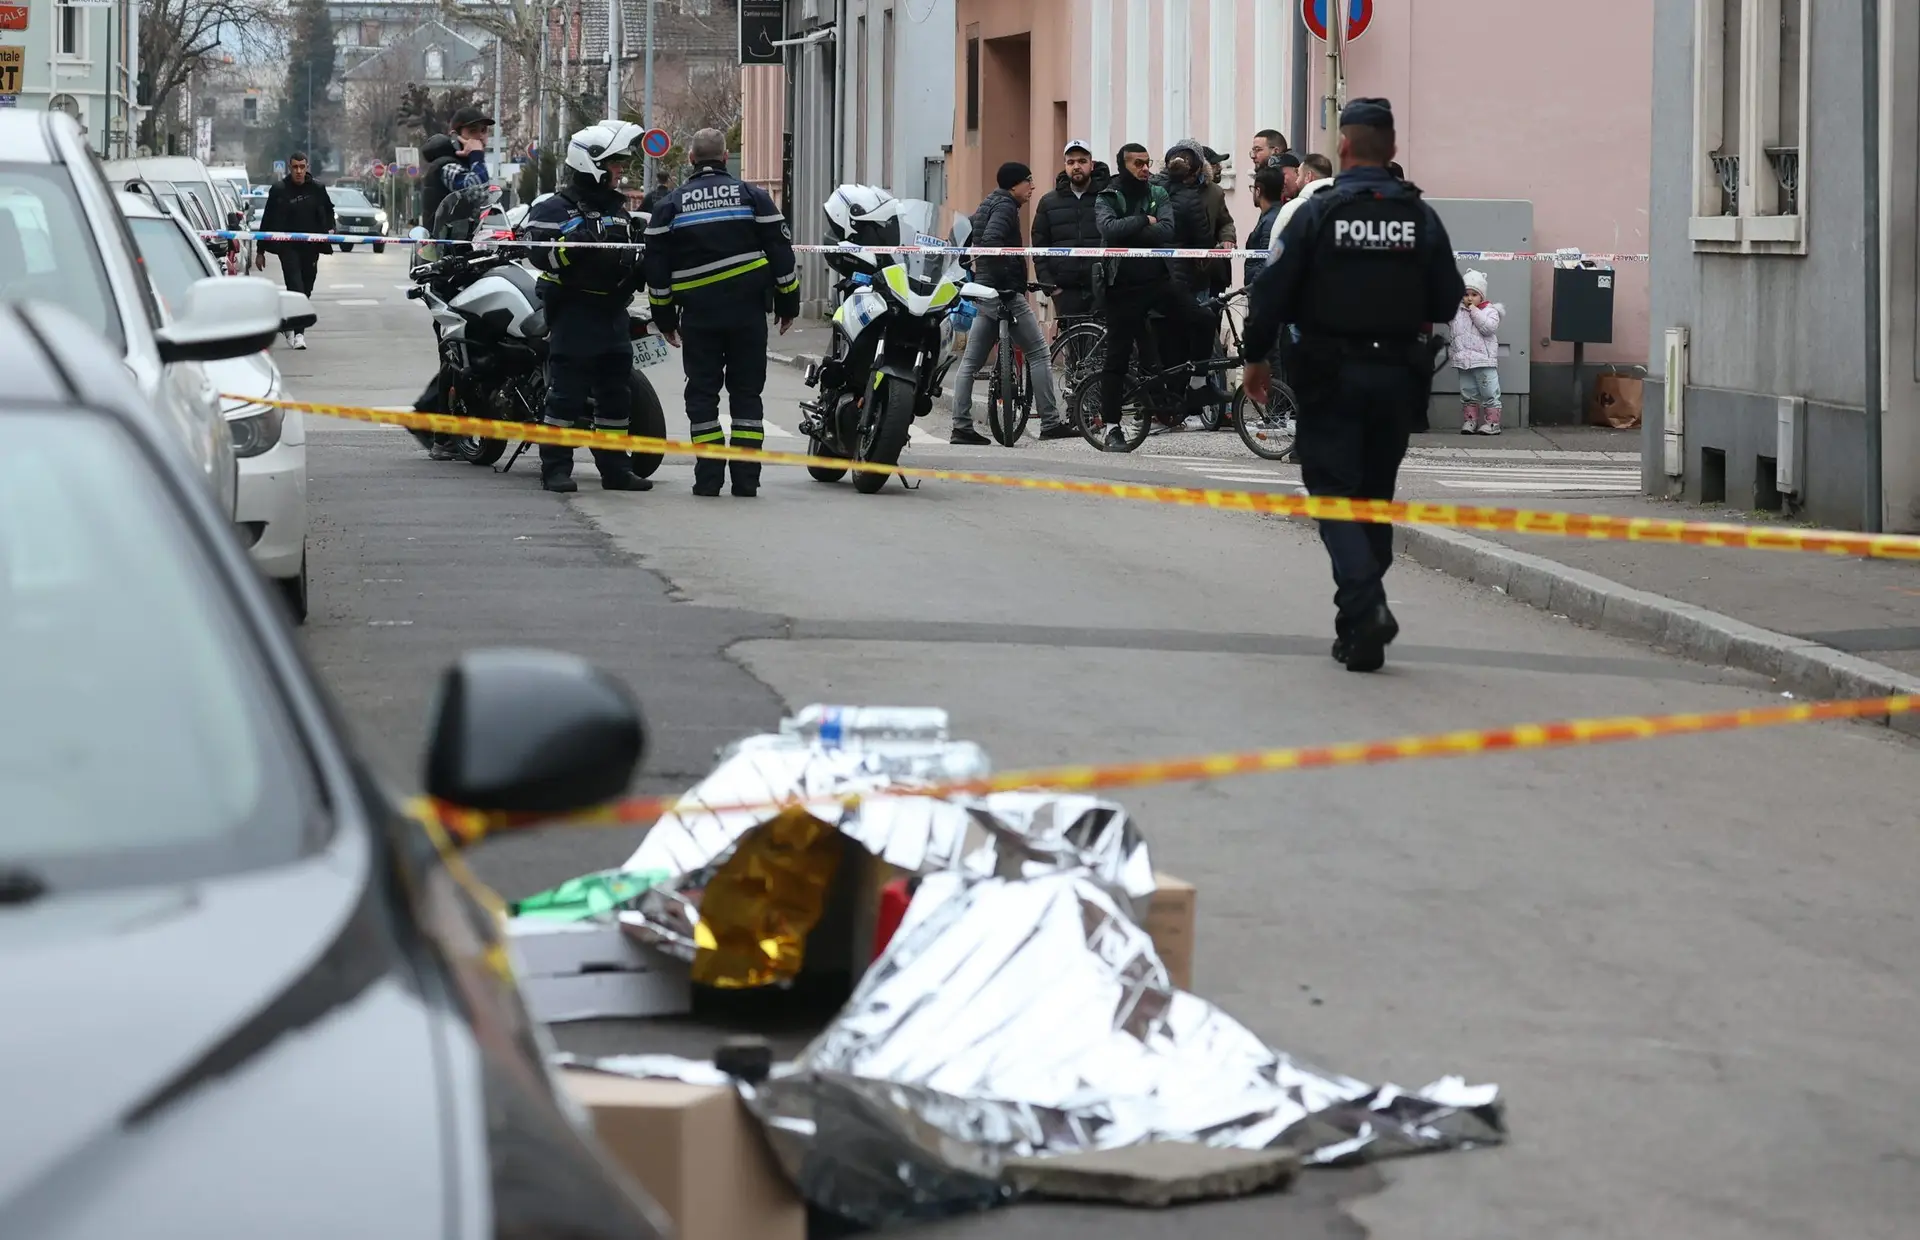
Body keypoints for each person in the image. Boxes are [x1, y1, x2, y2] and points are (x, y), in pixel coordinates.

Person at [1242, 98, 1465, 673]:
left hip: (1329, 374)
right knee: (1372, 498)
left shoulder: (1319, 213)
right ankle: (1356, 626)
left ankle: (1366, 604)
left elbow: (1271, 292)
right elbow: (1447, 298)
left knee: (1332, 494)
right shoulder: (1419, 216)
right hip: (1397, 378)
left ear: (1343, 148)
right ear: (1391, 148)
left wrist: (1256, 358)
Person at [643, 127, 799, 496]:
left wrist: (664, 319)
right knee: (747, 395)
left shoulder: (671, 205)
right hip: (747, 315)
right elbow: (781, 252)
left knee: (702, 395)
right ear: (726, 156)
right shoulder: (752, 197)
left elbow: (656, 272)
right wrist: (788, 302)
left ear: (692, 159)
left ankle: (709, 479)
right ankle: (746, 481)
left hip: (699, 318)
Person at [523, 120, 655, 495]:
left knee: (616, 397)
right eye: (615, 162)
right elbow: (540, 255)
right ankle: (556, 469)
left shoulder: (619, 210)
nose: (620, 170)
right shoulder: (554, 209)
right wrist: (579, 242)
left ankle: (616, 470)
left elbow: (632, 256)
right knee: (566, 396)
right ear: (591, 163)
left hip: (613, 313)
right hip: (574, 314)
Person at [947, 161, 1068, 444]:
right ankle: (1050, 423)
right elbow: (991, 241)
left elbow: (969, 234)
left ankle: (960, 426)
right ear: (1015, 184)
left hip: (985, 294)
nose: (1032, 187)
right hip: (1003, 294)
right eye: (1029, 181)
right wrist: (1006, 279)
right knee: (1038, 353)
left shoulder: (988, 203)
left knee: (970, 364)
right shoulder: (1005, 207)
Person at [1091, 143, 1180, 449]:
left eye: (1147, 163)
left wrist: (1135, 228)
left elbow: (1168, 229)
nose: (1145, 169)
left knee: (1198, 319)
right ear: (1123, 166)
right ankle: (1112, 426)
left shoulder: (1158, 193)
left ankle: (1190, 399)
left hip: (1158, 282)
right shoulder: (1108, 196)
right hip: (1121, 289)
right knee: (1117, 358)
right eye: (1137, 164)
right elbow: (1109, 229)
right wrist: (1144, 220)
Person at [1160, 138, 1227, 412]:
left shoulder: (1153, 190)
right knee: (1200, 323)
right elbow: (1201, 239)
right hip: (1182, 276)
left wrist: (1227, 239)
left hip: (1175, 276)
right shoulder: (1186, 198)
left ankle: (1174, 397)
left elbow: (1225, 223)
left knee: (1170, 338)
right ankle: (1194, 388)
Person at [255, 152, 334, 349]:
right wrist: (260, 250)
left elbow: (329, 210)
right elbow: (267, 219)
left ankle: (288, 321)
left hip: (311, 247)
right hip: (287, 247)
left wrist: (330, 230)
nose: (299, 171)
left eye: (302, 166)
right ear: (290, 168)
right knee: (296, 287)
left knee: (306, 289)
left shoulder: (317, 189)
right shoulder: (279, 190)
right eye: (295, 167)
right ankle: (299, 333)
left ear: (307, 167)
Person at [1031, 140, 1109, 321]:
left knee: (1101, 344)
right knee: (1073, 344)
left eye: (1082, 161)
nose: (1076, 166)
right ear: (1065, 165)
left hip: (1101, 287)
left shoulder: (1107, 197)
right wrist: (1049, 284)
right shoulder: (1049, 202)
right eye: (1071, 162)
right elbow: (1039, 245)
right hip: (1065, 290)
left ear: (1092, 164)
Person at [1450, 270, 1505, 435]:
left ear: (1482, 296)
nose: (1469, 298)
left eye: (1474, 294)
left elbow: (1488, 328)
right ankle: (1470, 421)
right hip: (1464, 360)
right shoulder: (1458, 312)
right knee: (1467, 392)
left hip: (1484, 360)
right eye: (1466, 294)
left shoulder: (1490, 311)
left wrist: (1474, 311)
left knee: (1489, 392)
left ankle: (1493, 423)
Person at [1244, 164, 1290, 290]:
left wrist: (1253, 287)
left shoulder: (1270, 221)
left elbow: (1265, 260)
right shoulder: (1273, 215)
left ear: (1258, 191)